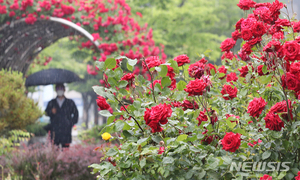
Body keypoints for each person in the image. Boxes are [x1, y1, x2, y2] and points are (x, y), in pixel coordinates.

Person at [45, 84, 78, 148]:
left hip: (66, 130)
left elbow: (76, 114)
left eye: (61, 88)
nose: (60, 90)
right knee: (55, 149)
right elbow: (46, 113)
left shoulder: (70, 102)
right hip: (55, 129)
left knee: (65, 150)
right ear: (55, 90)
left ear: (64, 90)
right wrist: (51, 112)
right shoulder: (51, 103)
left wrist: (71, 123)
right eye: (58, 89)